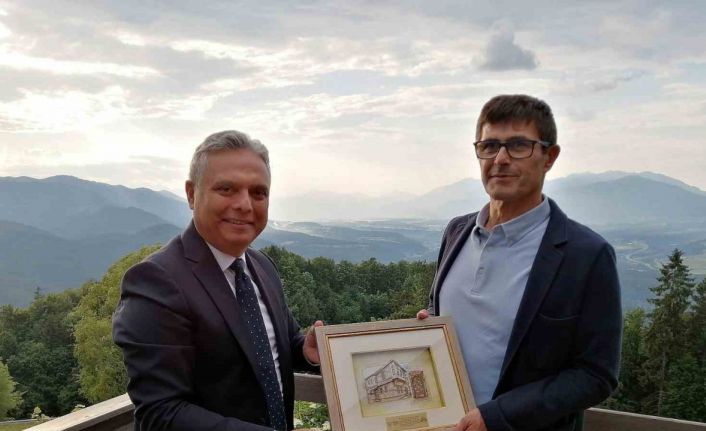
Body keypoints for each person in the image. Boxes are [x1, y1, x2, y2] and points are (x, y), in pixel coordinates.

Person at [418, 95, 621, 431]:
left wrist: (499, 416)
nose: (500, 159)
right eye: (489, 146)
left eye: (518, 146)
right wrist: (426, 328)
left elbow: (596, 374)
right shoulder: (456, 232)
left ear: (549, 157)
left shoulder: (586, 255)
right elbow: (439, 311)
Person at [113, 130, 322, 431]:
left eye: (258, 193)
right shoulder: (155, 281)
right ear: (191, 194)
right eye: (226, 189)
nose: (245, 204)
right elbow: (160, 413)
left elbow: (279, 344)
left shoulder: (262, 266)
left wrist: (306, 350)